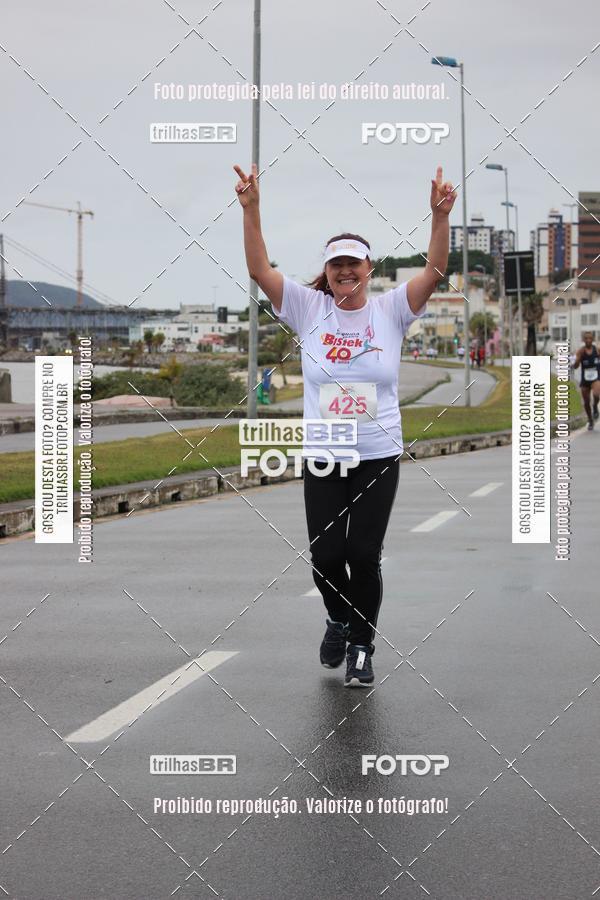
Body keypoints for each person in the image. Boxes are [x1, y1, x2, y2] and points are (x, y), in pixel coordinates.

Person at [234, 162, 457, 686]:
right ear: (328, 270)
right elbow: (259, 268)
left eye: (352, 264)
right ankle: (337, 618)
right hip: (324, 452)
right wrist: (251, 209)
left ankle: (362, 644)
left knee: (363, 553)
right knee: (326, 556)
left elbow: (435, 271)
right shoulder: (309, 307)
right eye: (336, 266)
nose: (343, 273)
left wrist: (439, 218)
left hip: (378, 453)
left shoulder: (391, 311)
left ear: (368, 267)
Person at [573, 332, 600, 430]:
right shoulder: (580, 351)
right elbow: (575, 367)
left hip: (596, 377)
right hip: (585, 378)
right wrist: (576, 361)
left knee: (597, 394)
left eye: (590, 338)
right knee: (586, 401)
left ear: (592, 339)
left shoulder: (597, 350)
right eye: (586, 338)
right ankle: (590, 420)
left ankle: (595, 406)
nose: (588, 340)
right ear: (583, 340)